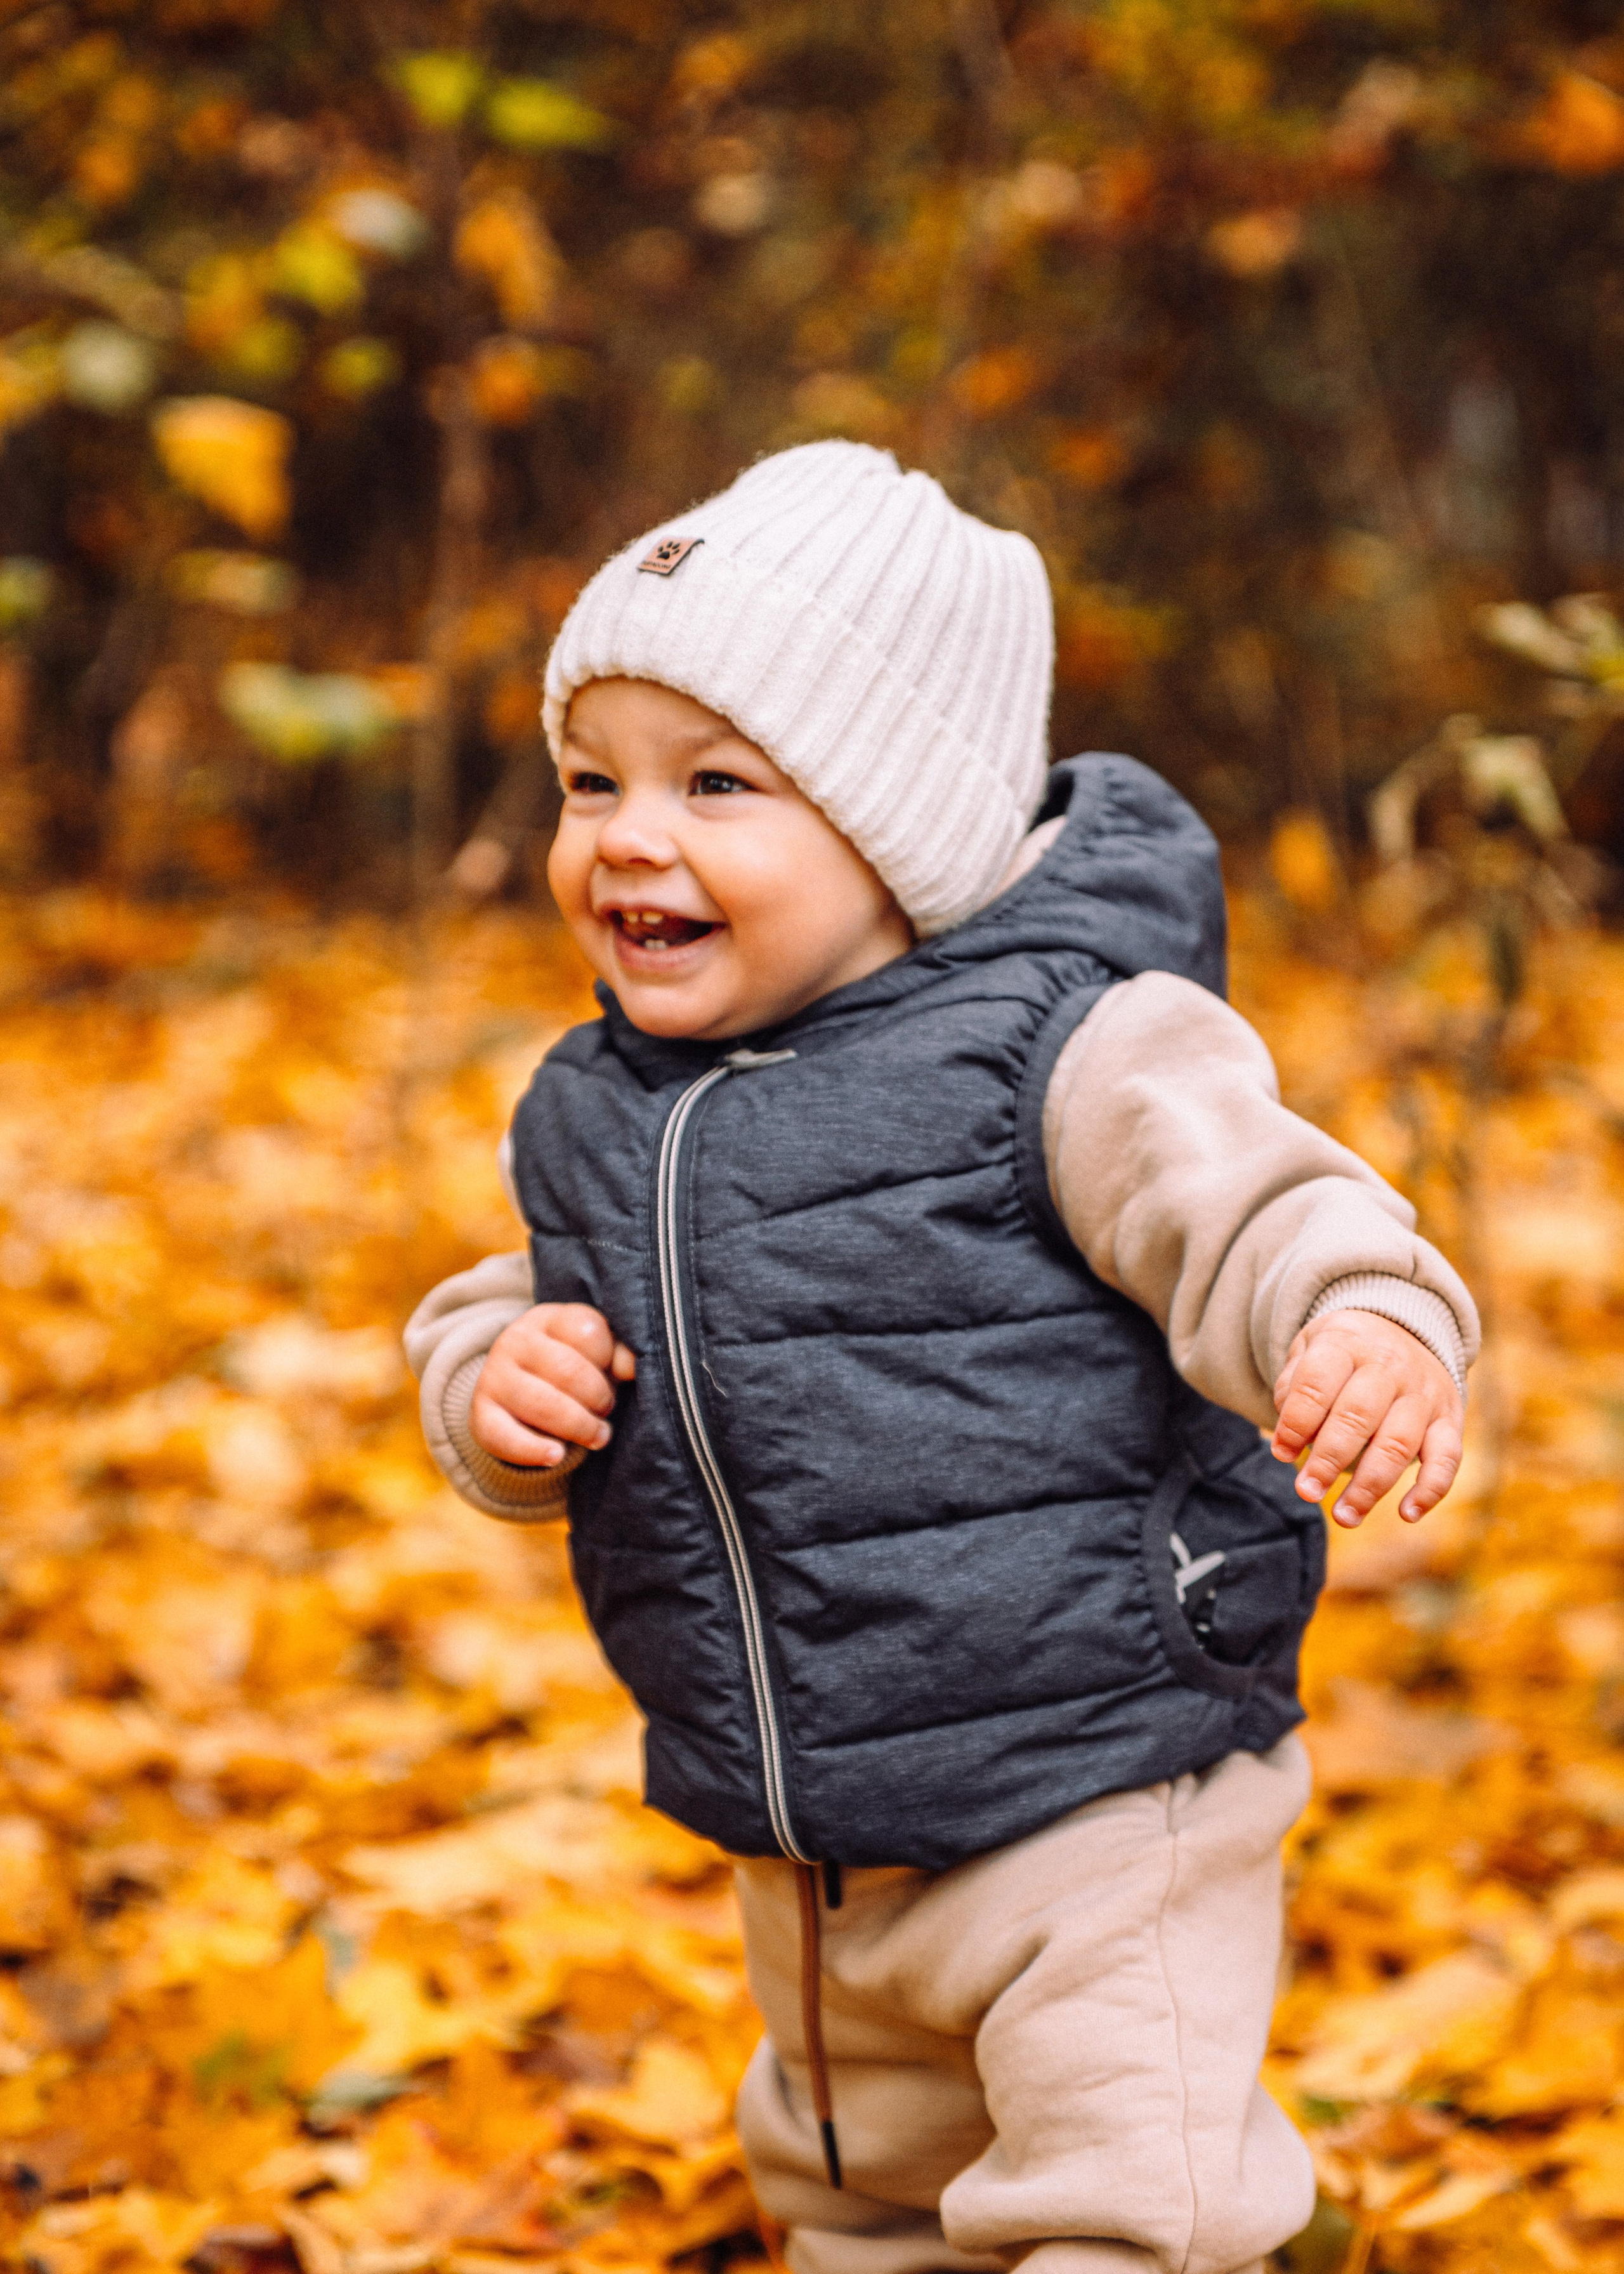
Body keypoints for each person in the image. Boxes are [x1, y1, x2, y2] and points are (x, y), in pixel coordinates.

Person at [406, 442, 1477, 2274]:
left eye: (716, 783)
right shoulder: (600, 1108)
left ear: (898, 826)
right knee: (859, 2202)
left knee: (1137, 2206)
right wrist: (496, 1385)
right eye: (591, 781)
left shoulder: (1073, 1049)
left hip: (1098, 1784)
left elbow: (1253, 1206)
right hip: (814, 1833)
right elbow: (508, 1299)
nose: (624, 835)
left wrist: (1363, 1314)